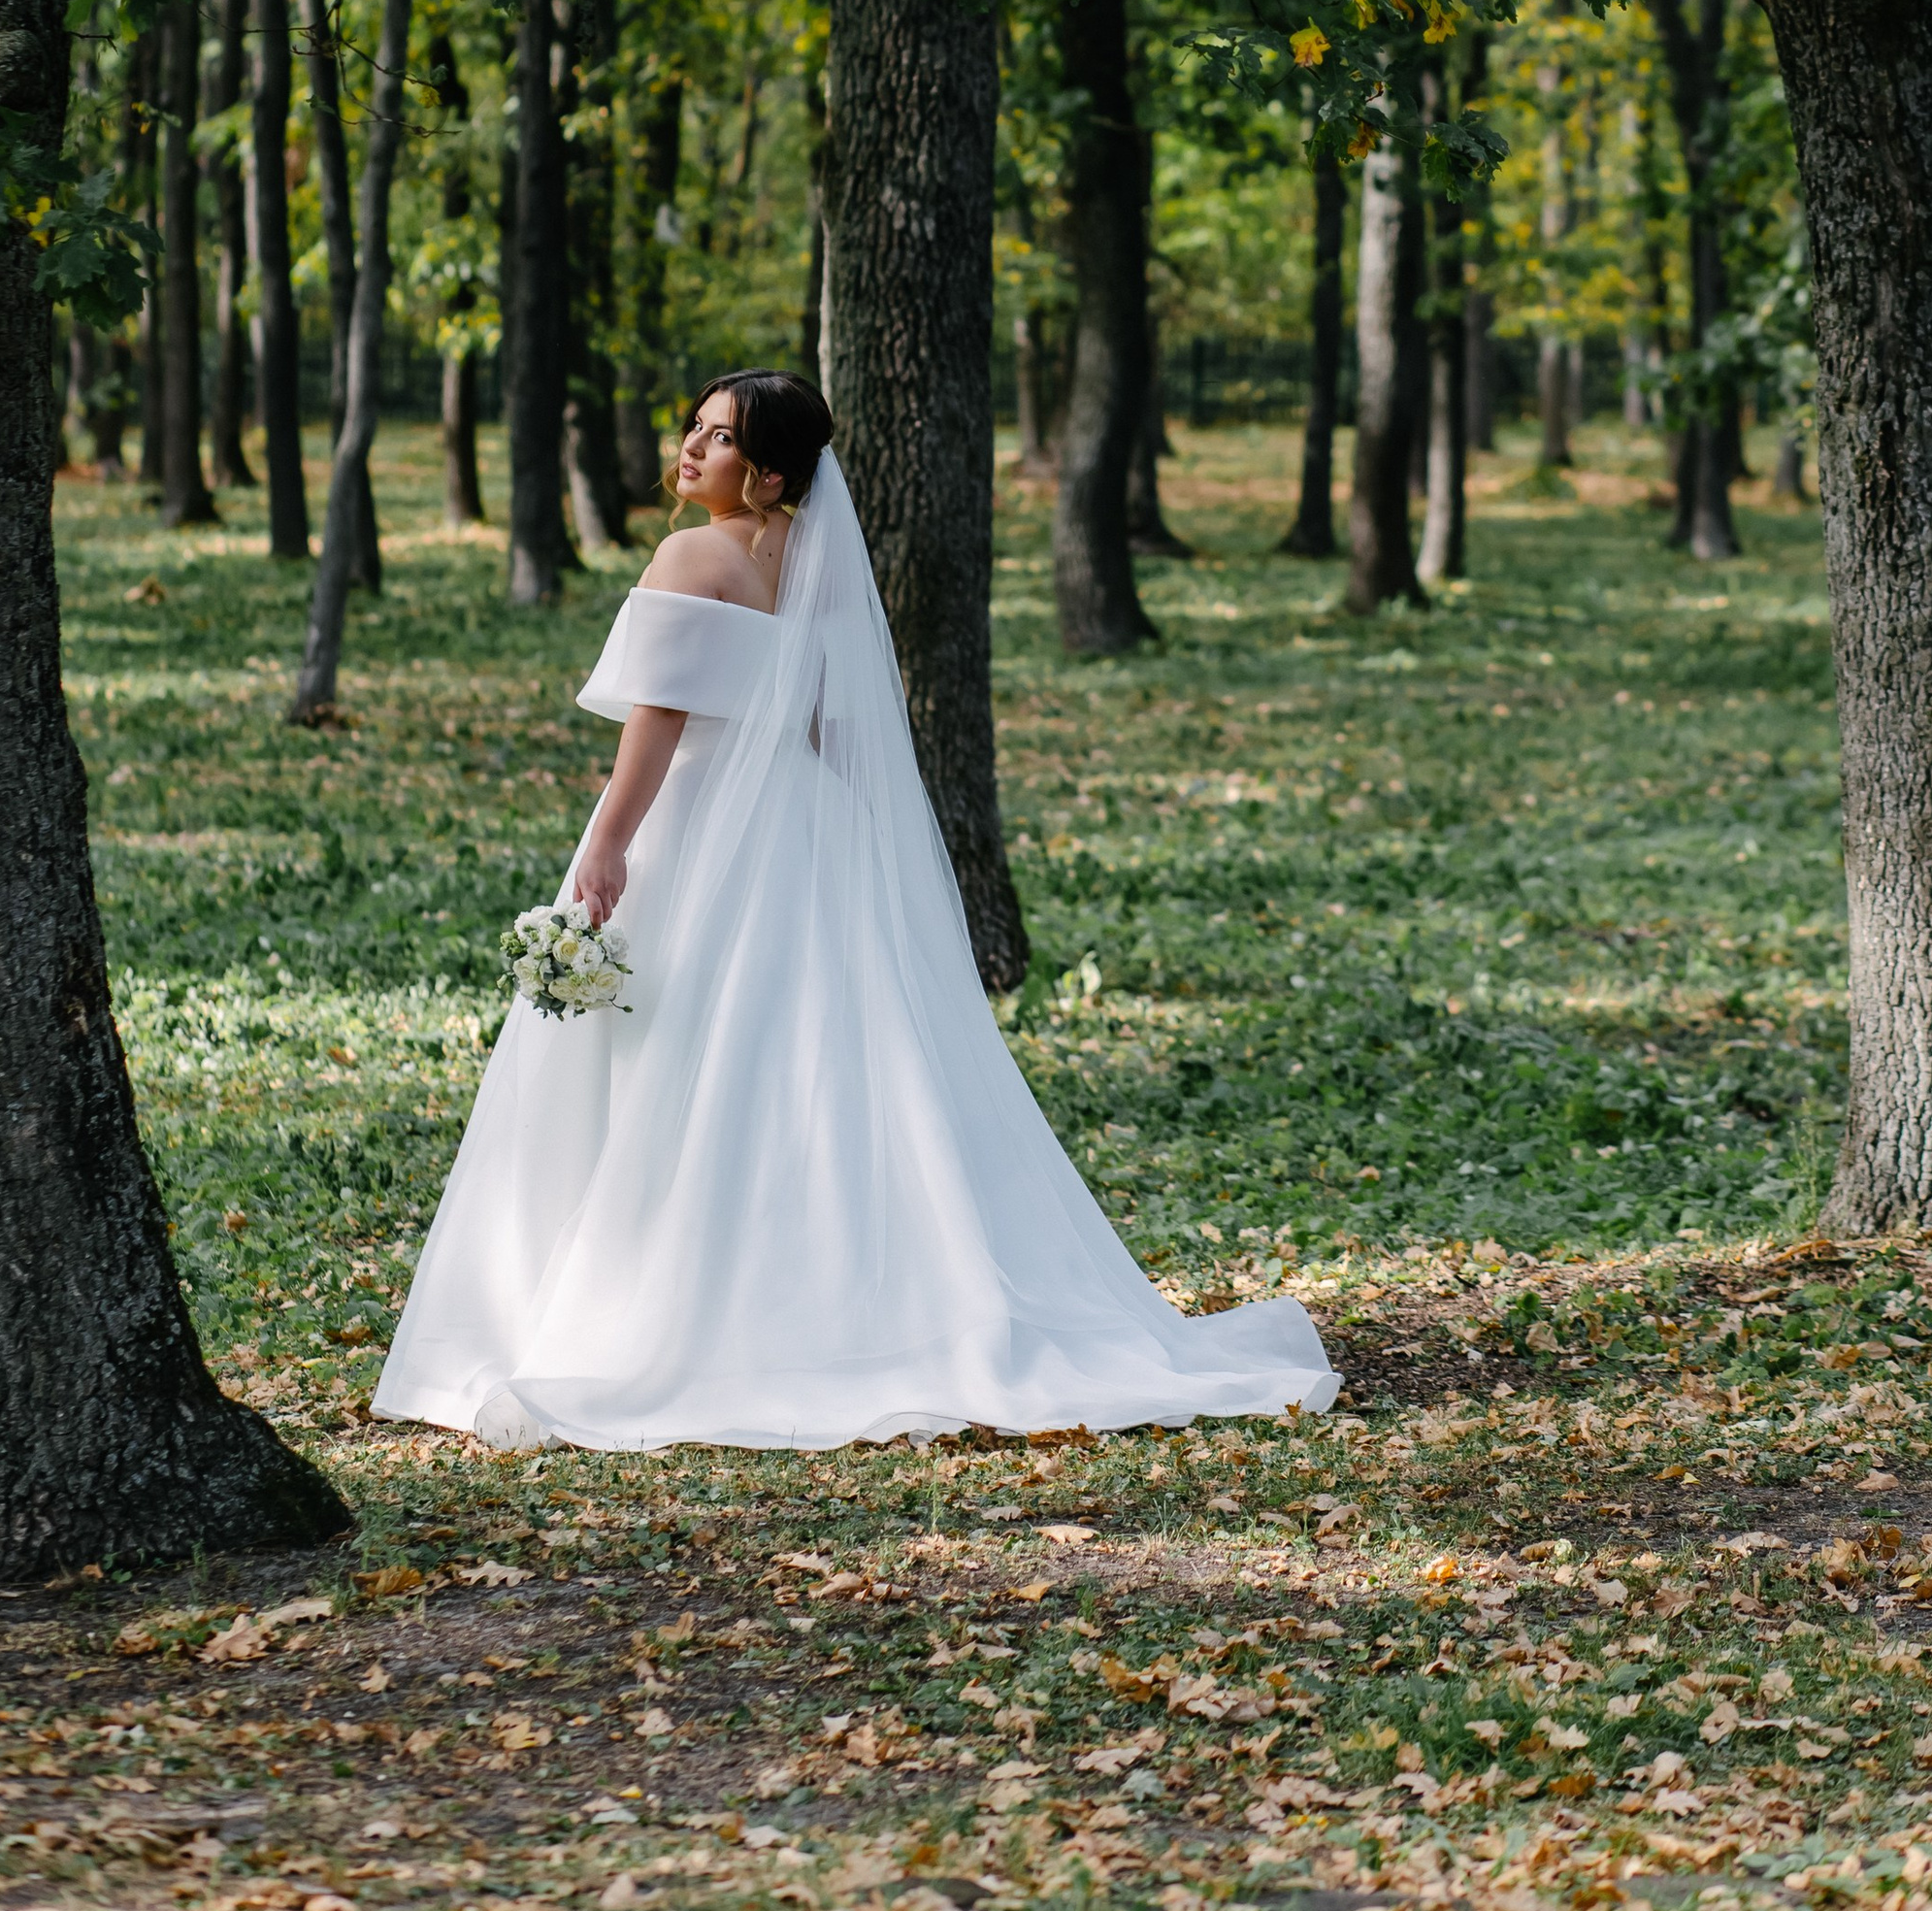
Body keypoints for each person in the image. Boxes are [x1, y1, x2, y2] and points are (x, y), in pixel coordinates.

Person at [373, 369, 1337, 1451]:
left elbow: (657, 722)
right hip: (804, 827)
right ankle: (844, 1300)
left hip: (699, 824)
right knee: (811, 1066)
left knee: (680, 1055)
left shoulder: (692, 555)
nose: (691, 450)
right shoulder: (818, 563)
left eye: (720, 438)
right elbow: (835, 723)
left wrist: (606, 843)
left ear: (770, 472)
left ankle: (656, 1300)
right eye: (693, 428)